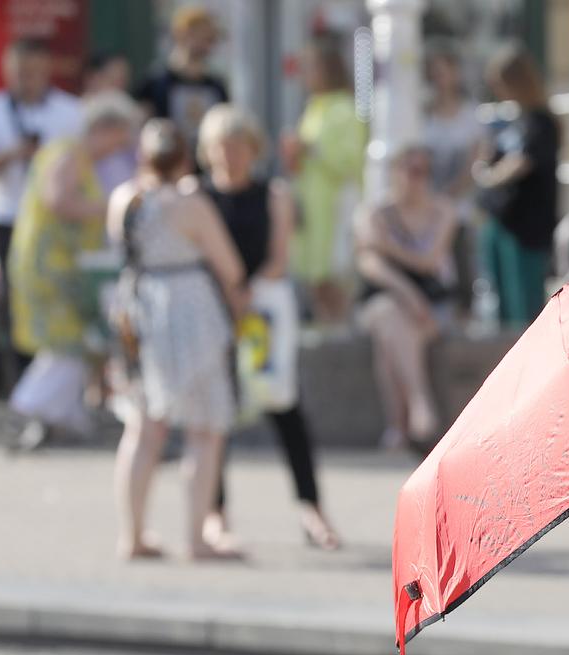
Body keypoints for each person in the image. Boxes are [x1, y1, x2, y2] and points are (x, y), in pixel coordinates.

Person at [195, 104, 342, 550]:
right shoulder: (197, 196)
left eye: (238, 145)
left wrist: (245, 291)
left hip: (261, 310)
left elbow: (279, 257)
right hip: (214, 308)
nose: (230, 155)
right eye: (222, 146)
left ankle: (311, 508)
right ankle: (215, 513)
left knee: (282, 403)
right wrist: (227, 293)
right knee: (214, 410)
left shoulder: (273, 194)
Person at [108, 119, 247, 561]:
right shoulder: (190, 204)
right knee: (204, 430)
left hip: (138, 307)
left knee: (143, 428)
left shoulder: (124, 199)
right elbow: (230, 267)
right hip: (188, 312)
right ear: (185, 158)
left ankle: (132, 535)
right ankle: (196, 537)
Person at [6, 91, 141, 448]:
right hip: (51, 265)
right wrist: (109, 209)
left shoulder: (79, 156)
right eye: (121, 135)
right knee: (68, 339)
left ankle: (62, 415)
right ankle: (33, 405)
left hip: (68, 263)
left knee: (78, 339)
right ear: (105, 127)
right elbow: (57, 200)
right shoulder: (68, 152)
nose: (121, 146)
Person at [0, 37, 84, 389]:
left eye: (33, 71)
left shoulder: (70, 111)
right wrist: (15, 153)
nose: (25, 79)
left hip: (57, 221)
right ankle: (17, 382)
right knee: (14, 299)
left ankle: (56, 384)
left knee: (59, 296)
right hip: (8, 217)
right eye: (19, 72)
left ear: (47, 70)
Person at [356, 145, 456, 453]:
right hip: (388, 299)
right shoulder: (373, 212)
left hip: (430, 303)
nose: (415, 179)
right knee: (390, 314)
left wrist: (386, 246)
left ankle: (397, 428)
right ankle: (419, 402)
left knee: (391, 342)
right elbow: (370, 266)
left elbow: (429, 261)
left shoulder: (442, 211)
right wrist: (408, 293)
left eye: (422, 172)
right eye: (409, 170)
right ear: (394, 172)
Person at [473, 44, 558, 329]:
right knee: (501, 306)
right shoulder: (511, 122)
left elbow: (521, 164)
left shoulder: (541, 123)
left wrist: (488, 176)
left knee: (524, 309)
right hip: (502, 221)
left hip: (526, 228)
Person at [283, 34, 367, 323]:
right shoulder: (314, 107)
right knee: (317, 282)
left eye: (311, 66)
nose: (305, 74)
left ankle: (341, 340)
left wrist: (310, 149)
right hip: (313, 210)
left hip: (334, 211)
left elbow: (351, 162)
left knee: (334, 281)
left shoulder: (346, 108)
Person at [422, 44, 484, 313]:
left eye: (444, 72)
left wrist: (451, 191)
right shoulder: (424, 115)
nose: (439, 79)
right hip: (430, 211)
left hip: (460, 210)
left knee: (462, 269)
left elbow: (476, 161)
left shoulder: (470, 116)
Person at [134, 5, 229, 159]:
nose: (208, 45)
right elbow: (142, 129)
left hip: (207, 167)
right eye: (203, 37)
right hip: (167, 165)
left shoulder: (216, 86)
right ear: (182, 34)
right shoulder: (156, 82)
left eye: (211, 39)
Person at [84, 52, 139, 196]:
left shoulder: (130, 107)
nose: (119, 85)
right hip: (94, 204)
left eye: (122, 79)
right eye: (112, 79)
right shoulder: (77, 113)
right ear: (93, 77)